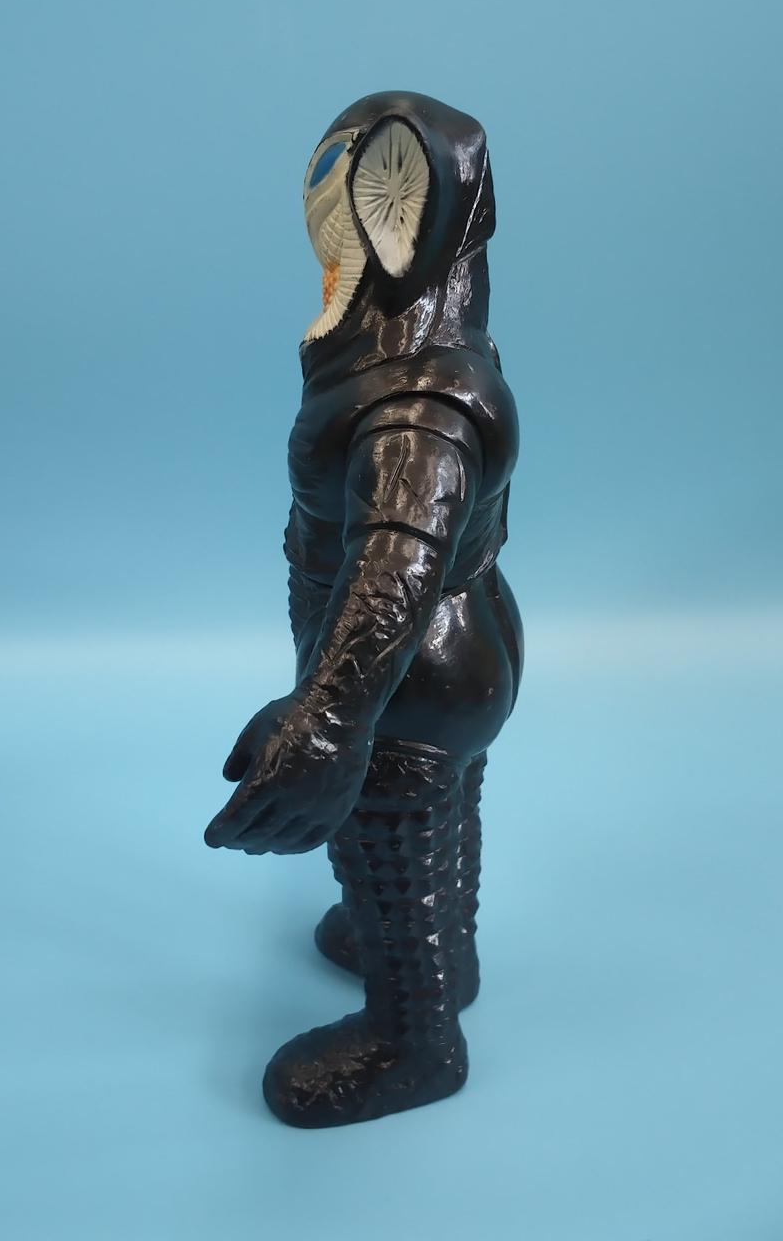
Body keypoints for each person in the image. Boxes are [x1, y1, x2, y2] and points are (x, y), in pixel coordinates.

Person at [205, 91, 523, 1128]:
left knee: (382, 825)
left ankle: (412, 1038)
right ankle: (443, 951)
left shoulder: (413, 402)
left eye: (337, 184)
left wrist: (326, 721)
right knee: (443, 806)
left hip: (408, 675)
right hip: (465, 645)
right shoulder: (435, 351)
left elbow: (395, 562)